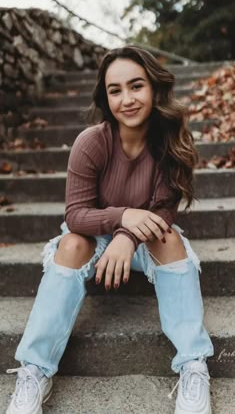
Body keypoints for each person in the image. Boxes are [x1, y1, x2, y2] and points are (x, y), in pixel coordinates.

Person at [6, 45, 214, 414]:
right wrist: (123, 218)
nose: (127, 99)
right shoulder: (92, 142)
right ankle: (35, 371)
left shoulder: (171, 143)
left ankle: (193, 364)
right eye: (115, 90)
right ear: (105, 97)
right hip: (94, 237)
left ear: (154, 89)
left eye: (137, 86)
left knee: (170, 239)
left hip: (147, 235)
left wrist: (128, 234)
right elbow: (77, 214)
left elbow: (163, 211)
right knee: (70, 244)